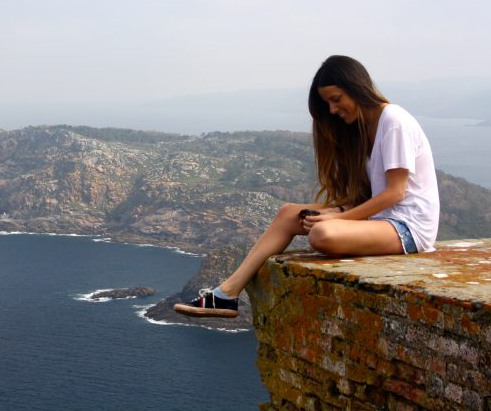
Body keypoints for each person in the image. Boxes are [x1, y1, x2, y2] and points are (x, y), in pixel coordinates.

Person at [174, 55, 440, 318]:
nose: (333, 110)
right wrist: (338, 210)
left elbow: (396, 192)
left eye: (336, 100)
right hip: (382, 219)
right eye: (328, 104)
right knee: (289, 212)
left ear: (357, 88)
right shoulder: (365, 128)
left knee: (321, 234)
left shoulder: (393, 120)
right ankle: (226, 294)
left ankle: (227, 294)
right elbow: (371, 195)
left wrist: (341, 218)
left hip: (408, 228)